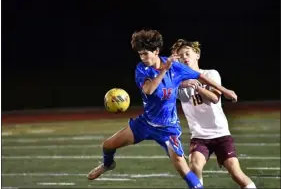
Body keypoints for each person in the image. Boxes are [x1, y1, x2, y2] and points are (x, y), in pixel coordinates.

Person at [87, 29, 237, 189]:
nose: (143, 58)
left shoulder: (175, 68)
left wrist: (225, 90)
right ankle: (108, 165)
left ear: (156, 51)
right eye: (140, 54)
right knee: (107, 145)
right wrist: (164, 69)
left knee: (185, 171)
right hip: (146, 123)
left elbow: (199, 76)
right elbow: (149, 90)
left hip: (168, 129)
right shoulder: (142, 69)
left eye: (145, 54)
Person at [171, 39, 257, 189]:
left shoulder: (210, 74)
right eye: (181, 56)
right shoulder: (178, 83)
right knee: (195, 166)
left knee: (236, 173)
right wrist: (176, 75)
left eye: (187, 54)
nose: (185, 57)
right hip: (199, 136)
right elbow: (162, 86)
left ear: (197, 55)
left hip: (220, 134)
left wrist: (197, 86)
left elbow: (214, 98)